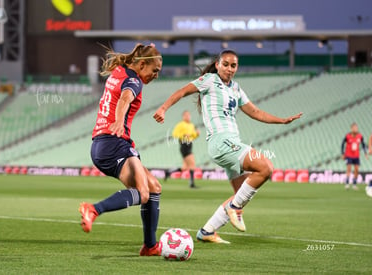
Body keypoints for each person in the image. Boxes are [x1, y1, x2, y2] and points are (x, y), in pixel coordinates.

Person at [153, 49, 302, 243]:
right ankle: (233, 209)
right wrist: (163, 108)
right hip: (221, 142)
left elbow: (256, 112)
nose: (229, 69)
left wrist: (281, 121)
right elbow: (182, 91)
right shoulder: (209, 80)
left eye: (234, 65)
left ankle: (207, 231)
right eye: (225, 64)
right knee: (265, 168)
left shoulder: (236, 88)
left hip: (233, 142)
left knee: (241, 194)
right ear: (217, 65)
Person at [79, 43, 163, 256]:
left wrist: (147, 49)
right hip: (115, 142)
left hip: (101, 144)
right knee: (144, 193)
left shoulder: (120, 71)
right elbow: (125, 98)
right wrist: (118, 121)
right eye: (154, 70)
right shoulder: (134, 80)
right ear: (142, 64)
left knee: (153, 187)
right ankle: (94, 209)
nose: (156, 76)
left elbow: (123, 88)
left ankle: (150, 246)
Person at [167, 110, 200, 188]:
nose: (188, 117)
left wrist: (196, 134)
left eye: (189, 115)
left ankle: (168, 172)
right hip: (184, 144)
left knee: (185, 167)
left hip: (189, 144)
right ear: (183, 116)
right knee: (192, 164)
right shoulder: (180, 125)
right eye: (186, 115)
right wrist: (183, 135)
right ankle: (192, 184)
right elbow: (175, 134)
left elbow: (192, 136)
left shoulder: (191, 125)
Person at [341, 122, 367, 190]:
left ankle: (354, 184)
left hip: (356, 155)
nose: (356, 129)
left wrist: (365, 153)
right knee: (349, 168)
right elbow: (342, 144)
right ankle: (347, 183)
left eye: (356, 128)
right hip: (348, 155)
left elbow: (363, 144)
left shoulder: (360, 136)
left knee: (356, 169)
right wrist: (343, 153)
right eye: (354, 128)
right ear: (351, 128)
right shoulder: (347, 136)